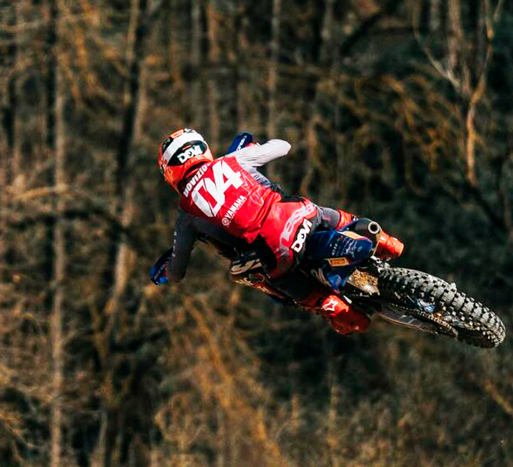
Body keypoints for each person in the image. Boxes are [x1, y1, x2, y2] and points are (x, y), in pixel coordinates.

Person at [149, 128, 403, 335]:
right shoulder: (232, 160)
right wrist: (251, 151)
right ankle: (382, 239)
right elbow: (283, 146)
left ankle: (335, 308)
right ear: (202, 148)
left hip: (275, 247)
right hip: (298, 212)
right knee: (327, 214)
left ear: (170, 172)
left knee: (277, 277)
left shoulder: (187, 214)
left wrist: (168, 269)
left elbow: (177, 273)